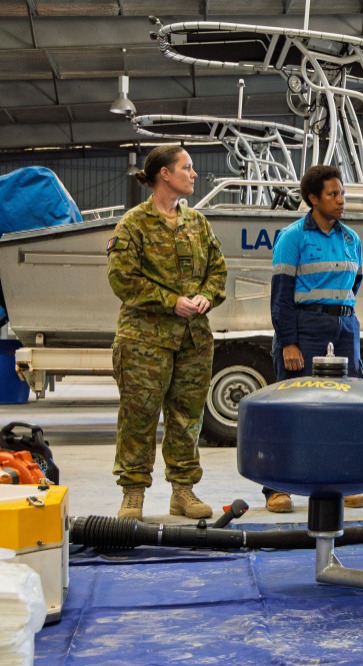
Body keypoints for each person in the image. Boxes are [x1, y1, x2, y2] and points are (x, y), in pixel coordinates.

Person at [106, 145, 227, 521]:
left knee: (187, 417)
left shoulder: (197, 223)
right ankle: (133, 493)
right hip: (145, 340)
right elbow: (121, 278)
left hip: (193, 339)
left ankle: (183, 491)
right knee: (138, 416)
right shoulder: (134, 223)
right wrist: (170, 301)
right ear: (164, 174)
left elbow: (218, 270)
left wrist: (207, 296)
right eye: (186, 167)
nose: (194, 174)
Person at [266, 164, 363, 512]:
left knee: (346, 408)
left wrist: (339, 314)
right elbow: (281, 296)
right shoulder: (292, 237)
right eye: (333, 194)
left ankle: (342, 483)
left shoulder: (351, 239)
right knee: (292, 408)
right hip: (305, 328)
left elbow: (354, 284)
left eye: (342, 194)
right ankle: (277, 489)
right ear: (313, 198)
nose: (341, 201)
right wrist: (289, 342)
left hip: (345, 327)